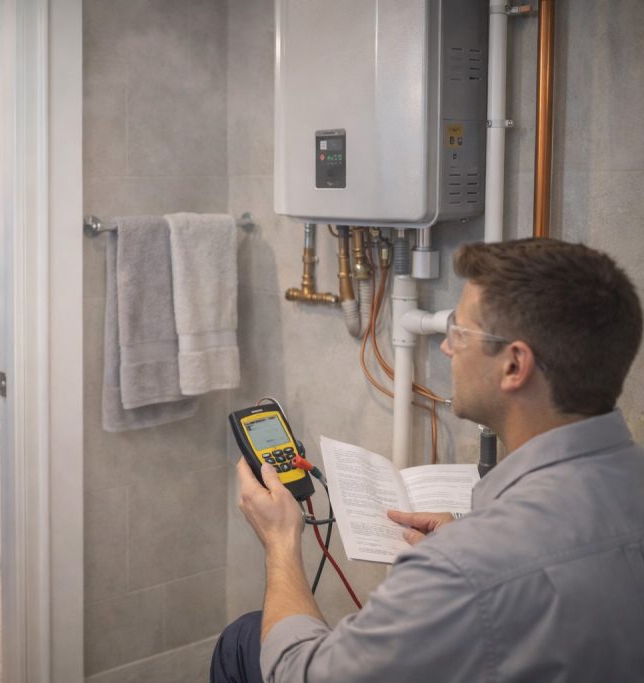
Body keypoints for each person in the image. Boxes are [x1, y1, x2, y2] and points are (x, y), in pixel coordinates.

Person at [212, 238, 644, 682]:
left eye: (459, 330)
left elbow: (295, 675)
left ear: (515, 365)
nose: (446, 348)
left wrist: (281, 542)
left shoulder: (468, 566)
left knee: (246, 640)